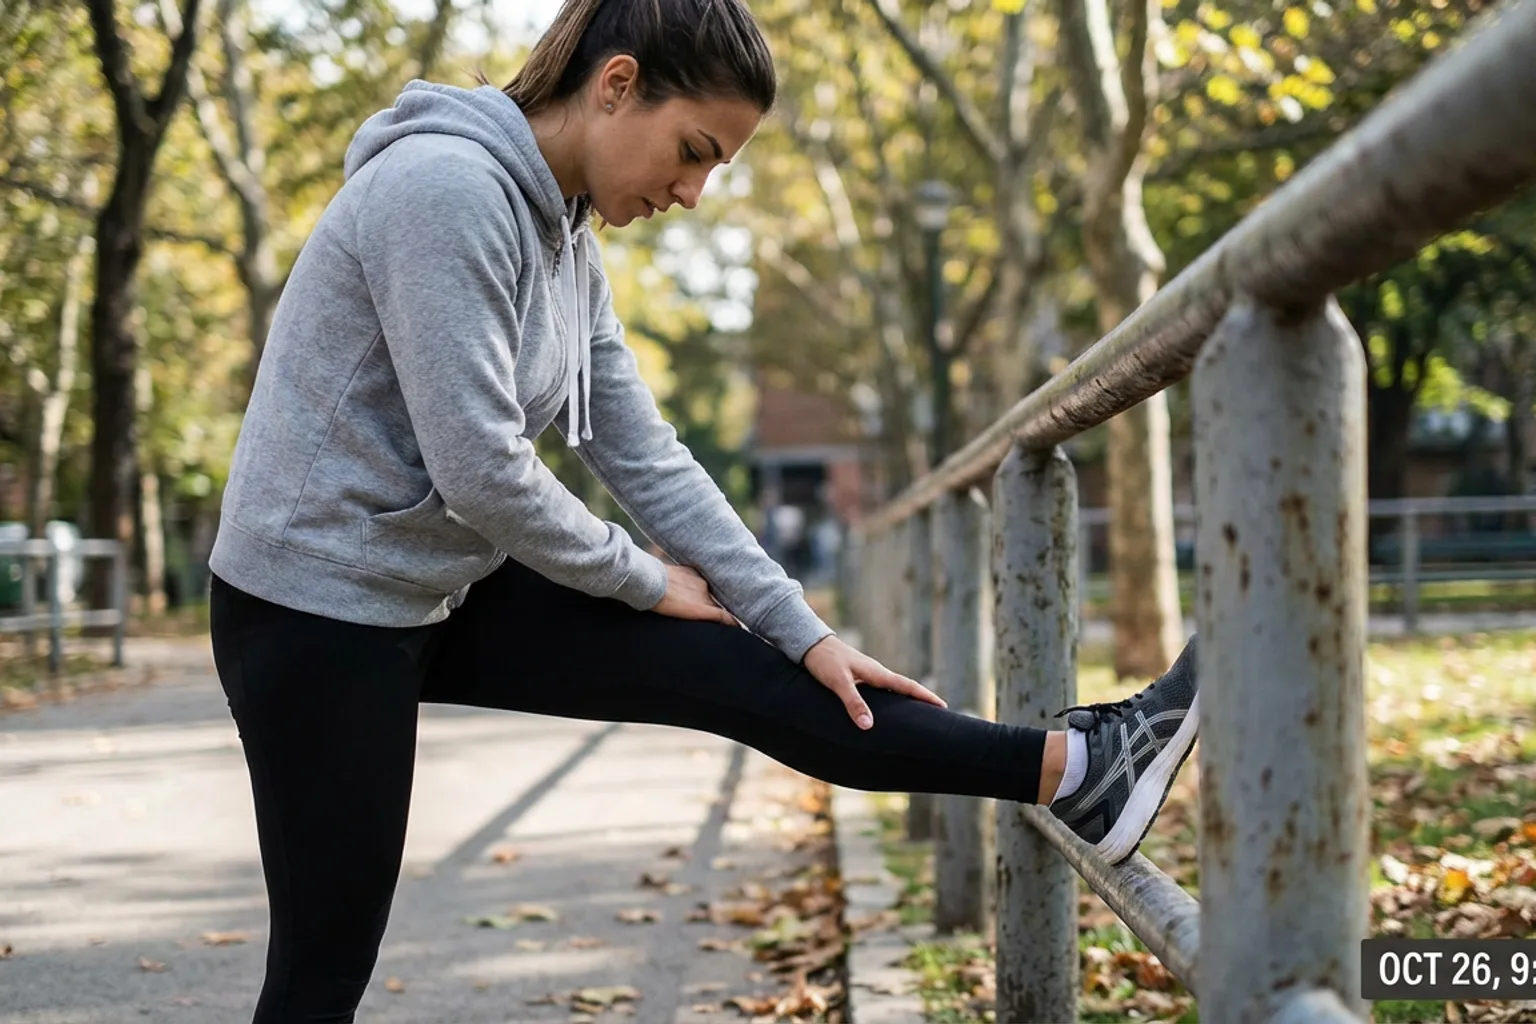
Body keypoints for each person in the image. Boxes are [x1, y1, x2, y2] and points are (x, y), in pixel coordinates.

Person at [205, 0, 1201, 1019]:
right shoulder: (444, 191)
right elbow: (481, 469)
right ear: (617, 84)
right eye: (692, 152)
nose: (692, 192)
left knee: (742, 665)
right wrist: (639, 577)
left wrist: (804, 630)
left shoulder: (565, 240)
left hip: (432, 582)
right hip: (315, 607)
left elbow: (644, 454)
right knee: (321, 973)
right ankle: (1079, 768)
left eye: (714, 168)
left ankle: (1081, 768)